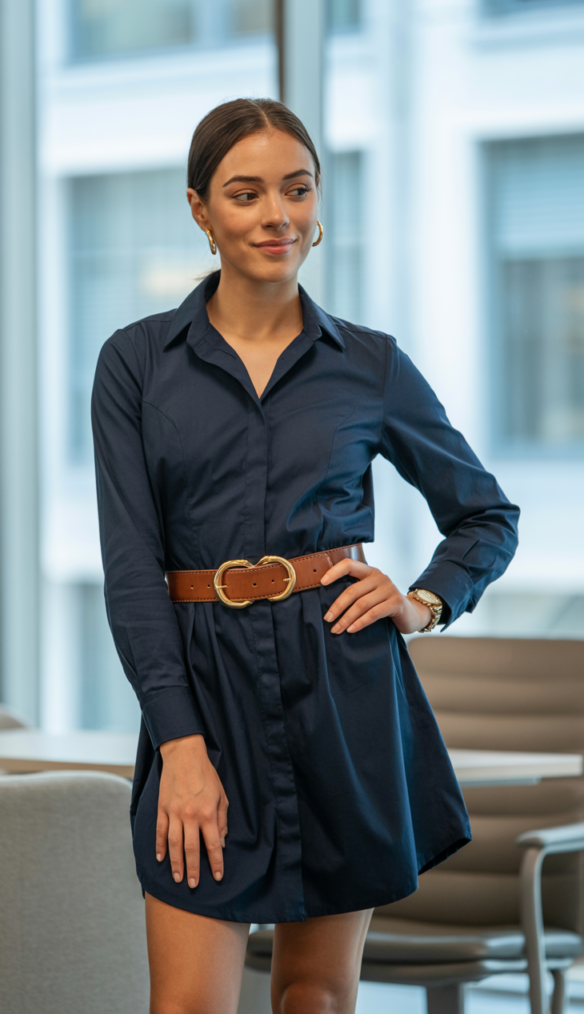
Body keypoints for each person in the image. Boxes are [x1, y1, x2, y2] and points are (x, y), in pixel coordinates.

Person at [92, 98, 519, 1014]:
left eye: (296, 189)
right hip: (200, 703)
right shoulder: (135, 364)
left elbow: (485, 514)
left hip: (344, 692)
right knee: (189, 1007)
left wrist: (423, 601)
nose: (275, 214)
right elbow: (132, 575)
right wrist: (181, 749)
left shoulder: (370, 366)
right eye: (245, 193)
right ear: (202, 210)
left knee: (316, 1000)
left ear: (319, 207)